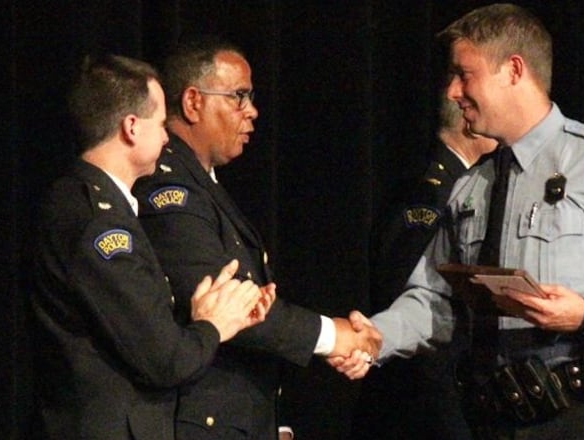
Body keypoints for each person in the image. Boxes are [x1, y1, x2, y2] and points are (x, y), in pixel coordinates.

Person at [336, 4, 584, 439]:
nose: (453, 91)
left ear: (513, 70)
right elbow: (434, 300)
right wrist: (377, 335)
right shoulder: (470, 187)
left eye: (464, 74)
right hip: (496, 417)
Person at [132, 38, 380, 440]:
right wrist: (336, 337)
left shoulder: (203, 186)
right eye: (239, 96)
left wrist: (272, 424)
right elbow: (230, 304)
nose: (253, 112)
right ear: (193, 102)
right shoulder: (169, 189)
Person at [31, 54, 270, 440]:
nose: (165, 137)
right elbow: (165, 359)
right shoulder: (100, 224)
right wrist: (213, 324)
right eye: (160, 125)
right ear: (131, 128)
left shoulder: (85, 202)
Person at [352, 96, 497, 439]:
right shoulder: (430, 196)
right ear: (468, 120)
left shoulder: (460, 186)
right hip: (421, 408)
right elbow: (413, 296)